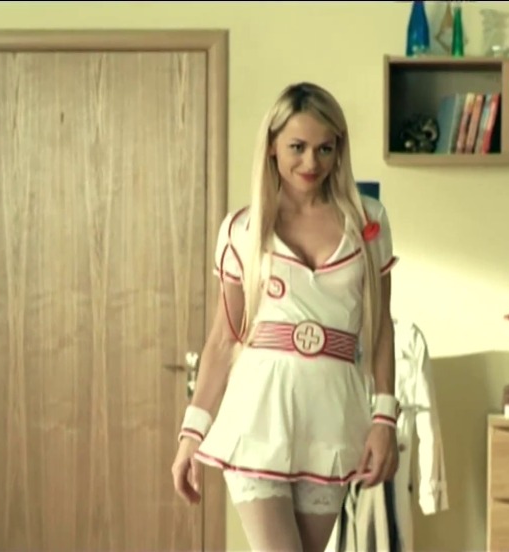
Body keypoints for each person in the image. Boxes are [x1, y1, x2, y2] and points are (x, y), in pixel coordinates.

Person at [169, 82, 400, 552]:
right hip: (257, 414)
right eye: (297, 147)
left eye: (324, 148)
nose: (311, 162)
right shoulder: (242, 229)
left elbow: (381, 329)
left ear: (338, 150)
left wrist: (385, 419)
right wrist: (191, 434)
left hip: (332, 417)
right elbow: (223, 339)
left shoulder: (368, 222)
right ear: (272, 146)